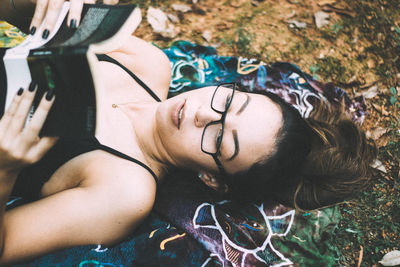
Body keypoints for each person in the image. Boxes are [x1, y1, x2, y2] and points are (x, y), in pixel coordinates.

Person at [0, 0, 377, 265]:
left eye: (219, 140)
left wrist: (6, 169)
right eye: (229, 102)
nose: (202, 114)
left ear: (210, 178)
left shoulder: (125, 192)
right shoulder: (150, 66)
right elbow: (16, 11)